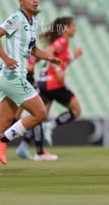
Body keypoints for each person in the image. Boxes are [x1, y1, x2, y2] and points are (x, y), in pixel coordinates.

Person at [0, 0, 61, 176]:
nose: (35, 1)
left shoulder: (33, 22)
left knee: (5, 119)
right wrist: (6, 58)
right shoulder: (16, 18)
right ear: (20, 1)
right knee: (39, 113)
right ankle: (3, 140)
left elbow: (33, 50)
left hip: (12, 76)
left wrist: (49, 58)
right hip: (11, 75)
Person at [35, 17, 83, 147]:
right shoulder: (61, 41)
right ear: (66, 28)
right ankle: (50, 126)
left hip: (45, 83)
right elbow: (48, 52)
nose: (75, 29)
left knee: (40, 117)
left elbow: (62, 60)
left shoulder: (64, 44)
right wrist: (57, 69)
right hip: (54, 84)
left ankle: (28, 147)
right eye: (73, 26)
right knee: (76, 110)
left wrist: (74, 57)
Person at [15, 55, 59, 161]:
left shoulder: (29, 46)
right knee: (38, 114)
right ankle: (38, 152)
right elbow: (29, 67)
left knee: (20, 117)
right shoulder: (26, 45)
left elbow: (38, 55)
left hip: (26, 80)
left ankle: (28, 147)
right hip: (26, 80)